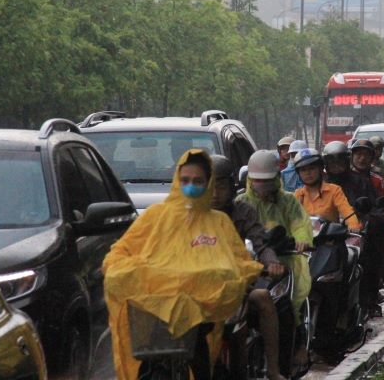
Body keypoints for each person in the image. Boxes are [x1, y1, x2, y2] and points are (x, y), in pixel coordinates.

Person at [103, 149, 262, 380]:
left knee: (204, 361)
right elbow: (123, 249)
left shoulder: (219, 221)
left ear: (208, 184)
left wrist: (239, 274)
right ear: (177, 180)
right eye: (185, 180)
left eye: (198, 181)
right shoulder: (155, 216)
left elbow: (239, 260)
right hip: (156, 317)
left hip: (202, 316)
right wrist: (117, 268)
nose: (191, 186)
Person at [236, 150, 313, 371]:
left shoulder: (288, 201)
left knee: (288, 309)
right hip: (249, 267)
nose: (261, 185)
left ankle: (286, 361)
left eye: (267, 181)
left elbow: (300, 223)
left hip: (284, 264)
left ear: (276, 179)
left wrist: (301, 241)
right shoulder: (240, 203)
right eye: (257, 181)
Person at [210, 155, 286, 380]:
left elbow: (261, 244)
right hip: (200, 288)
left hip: (237, 286)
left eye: (221, 187)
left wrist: (272, 262)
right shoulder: (194, 214)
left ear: (232, 186)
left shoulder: (244, 212)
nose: (215, 194)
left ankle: (272, 369)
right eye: (210, 187)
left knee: (263, 296)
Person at [348, 139, 384, 317]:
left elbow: (381, 205)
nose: (361, 158)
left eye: (365, 155)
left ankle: (372, 295)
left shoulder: (376, 179)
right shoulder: (337, 180)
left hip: (368, 228)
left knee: (373, 256)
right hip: (344, 228)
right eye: (358, 154)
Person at [292, 148, 359, 230]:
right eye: (303, 170)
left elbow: (348, 212)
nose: (308, 173)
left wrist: (353, 225)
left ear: (320, 169)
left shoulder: (334, 190)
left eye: (312, 168)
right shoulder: (298, 195)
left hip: (330, 240)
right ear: (298, 173)